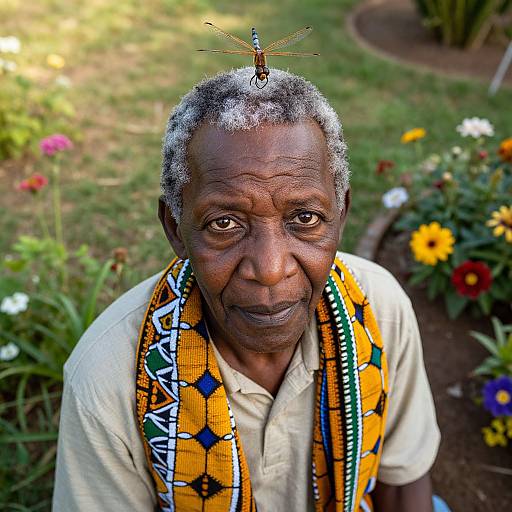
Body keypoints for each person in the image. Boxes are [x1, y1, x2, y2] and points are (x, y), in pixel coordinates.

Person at [52, 67, 445, 512]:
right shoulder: (108, 380)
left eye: (305, 218)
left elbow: (402, 483)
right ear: (176, 229)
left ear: (341, 213)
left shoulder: (381, 311)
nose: (270, 269)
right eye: (225, 224)